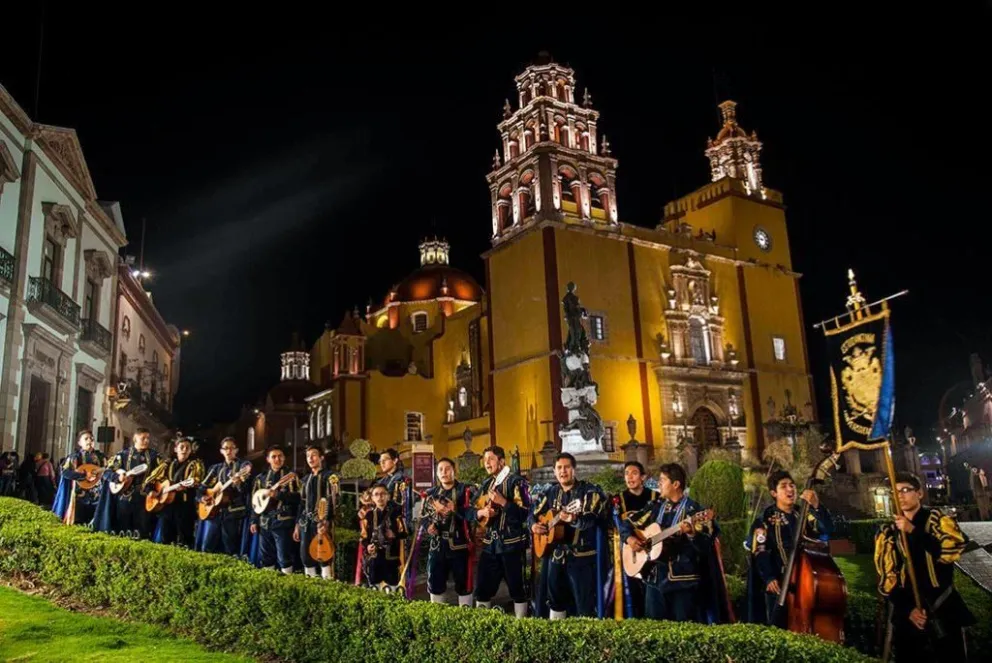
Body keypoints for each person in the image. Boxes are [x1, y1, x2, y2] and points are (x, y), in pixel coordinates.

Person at [875, 473, 974, 662]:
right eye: (895, 492)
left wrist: (913, 531)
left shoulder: (937, 521)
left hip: (942, 608)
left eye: (905, 490)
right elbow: (888, 579)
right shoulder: (888, 532)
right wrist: (908, 609)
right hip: (908, 614)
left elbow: (948, 553)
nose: (900, 496)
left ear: (919, 493)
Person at [620, 463, 727, 623]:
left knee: (684, 632)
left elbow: (706, 545)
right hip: (654, 578)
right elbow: (627, 522)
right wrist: (630, 538)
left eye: (662, 480)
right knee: (653, 631)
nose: (658, 484)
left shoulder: (694, 510)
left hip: (683, 582)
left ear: (676, 484)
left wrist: (691, 533)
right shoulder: (655, 507)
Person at [745, 469, 833, 626]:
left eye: (792, 485)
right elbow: (760, 551)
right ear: (774, 493)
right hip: (780, 585)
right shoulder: (765, 519)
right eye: (784, 486)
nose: (790, 489)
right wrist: (769, 577)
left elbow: (827, 531)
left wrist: (817, 506)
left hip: (807, 581)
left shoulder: (804, 513)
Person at [530, 452, 606, 619]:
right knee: (554, 600)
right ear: (555, 471)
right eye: (559, 468)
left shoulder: (589, 491)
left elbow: (591, 519)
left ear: (574, 470)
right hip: (555, 556)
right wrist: (534, 526)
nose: (563, 471)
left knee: (584, 603)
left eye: (566, 467)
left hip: (581, 556)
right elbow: (533, 512)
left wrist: (574, 519)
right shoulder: (551, 491)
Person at [466, 445, 530, 618]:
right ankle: (483, 627)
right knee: (482, 590)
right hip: (489, 546)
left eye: (491, 459)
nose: (487, 463)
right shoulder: (487, 484)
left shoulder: (517, 482)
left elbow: (526, 514)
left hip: (511, 546)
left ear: (502, 461)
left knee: (518, 590)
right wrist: (481, 513)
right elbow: (470, 510)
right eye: (485, 460)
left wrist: (504, 503)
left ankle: (521, 627)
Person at [420, 457, 473, 607]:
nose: (444, 472)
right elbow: (423, 518)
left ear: (454, 471)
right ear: (436, 474)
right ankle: (439, 620)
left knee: (464, 585)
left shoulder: (465, 490)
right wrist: (428, 526)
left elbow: (471, 515)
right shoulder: (430, 493)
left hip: (459, 545)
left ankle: (467, 618)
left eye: (447, 469)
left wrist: (455, 510)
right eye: (440, 470)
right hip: (437, 546)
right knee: (435, 584)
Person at [615, 461, 661, 618]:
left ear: (643, 477)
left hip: (653, 551)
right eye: (626, 473)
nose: (629, 477)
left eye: (634, 473)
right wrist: (629, 539)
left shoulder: (655, 498)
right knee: (633, 593)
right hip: (631, 553)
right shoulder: (618, 500)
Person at [101, 428, 162, 538]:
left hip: (145, 499)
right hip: (124, 498)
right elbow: (107, 472)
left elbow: (161, 476)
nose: (146, 441)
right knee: (122, 530)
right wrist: (117, 477)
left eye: (148, 438)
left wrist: (153, 489)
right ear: (135, 439)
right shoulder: (123, 455)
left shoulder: (155, 457)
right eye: (143, 438)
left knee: (142, 532)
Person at [144, 438, 205, 547]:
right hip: (166, 507)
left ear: (191, 451)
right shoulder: (167, 464)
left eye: (188, 447)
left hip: (185, 507)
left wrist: (188, 486)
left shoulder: (195, 465)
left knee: (185, 540)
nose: (184, 449)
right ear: (176, 449)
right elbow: (150, 480)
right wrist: (151, 491)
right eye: (182, 447)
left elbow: (197, 481)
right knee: (165, 539)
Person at [197, 437, 253, 555]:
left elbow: (247, 490)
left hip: (233, 513)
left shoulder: (243, 465)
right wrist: (202, 498)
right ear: (221, 451)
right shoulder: (215, 468)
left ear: (236, 450)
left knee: (230, 548)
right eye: (226, 448)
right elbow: (201, 488)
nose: (228, 451)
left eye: (232, 448)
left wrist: (238, 483)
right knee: (207, 547)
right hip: (215, 513)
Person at [250, 446, 300, 574]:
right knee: (266, 557)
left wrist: (277, 495)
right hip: (264, 522)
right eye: (274, 456)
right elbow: (255, 502)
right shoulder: (260, 478)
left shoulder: (291, 476)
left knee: (285, 557)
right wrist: (253, 521)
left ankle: (288, 584)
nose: (277, 459)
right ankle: (269, 585)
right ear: (268, 459)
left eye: (280, 456)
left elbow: (298, 499)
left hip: (283, 522)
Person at [294, 445, 336, 579]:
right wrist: (297, 525)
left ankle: (328, 584)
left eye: (314, 455)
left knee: (324, 554)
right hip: (306, 522)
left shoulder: (330, 476)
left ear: (321, 457)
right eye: (308, 456)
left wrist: (327, 521)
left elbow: (334, 500)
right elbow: (301, 503)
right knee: (306, 555)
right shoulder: (305, 480)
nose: (310, 458)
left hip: (322, 522)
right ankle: (311, 586)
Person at [360, 484, 408, 588]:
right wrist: (368, 547)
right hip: (374, 558)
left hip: (391, 558)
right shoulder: (368, 516)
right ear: (372, 498)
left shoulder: (396, 514)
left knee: (393, 588)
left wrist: (394, 535)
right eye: (376, 494)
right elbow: (364, 537)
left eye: (382, 494)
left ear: (388, 496)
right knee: (375, 588)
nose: (379, 497)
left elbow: (404, 533)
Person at [55, 430, 106, 526]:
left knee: (96, 523)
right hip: (79, 496)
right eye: (86, 439)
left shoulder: (101, 457)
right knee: (78, 522)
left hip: (98, 495)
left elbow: (108, 470)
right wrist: (82, 476)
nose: (89, 441)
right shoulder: (74, 457)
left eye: (91, 438)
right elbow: (64, 472)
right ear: (79, 443)